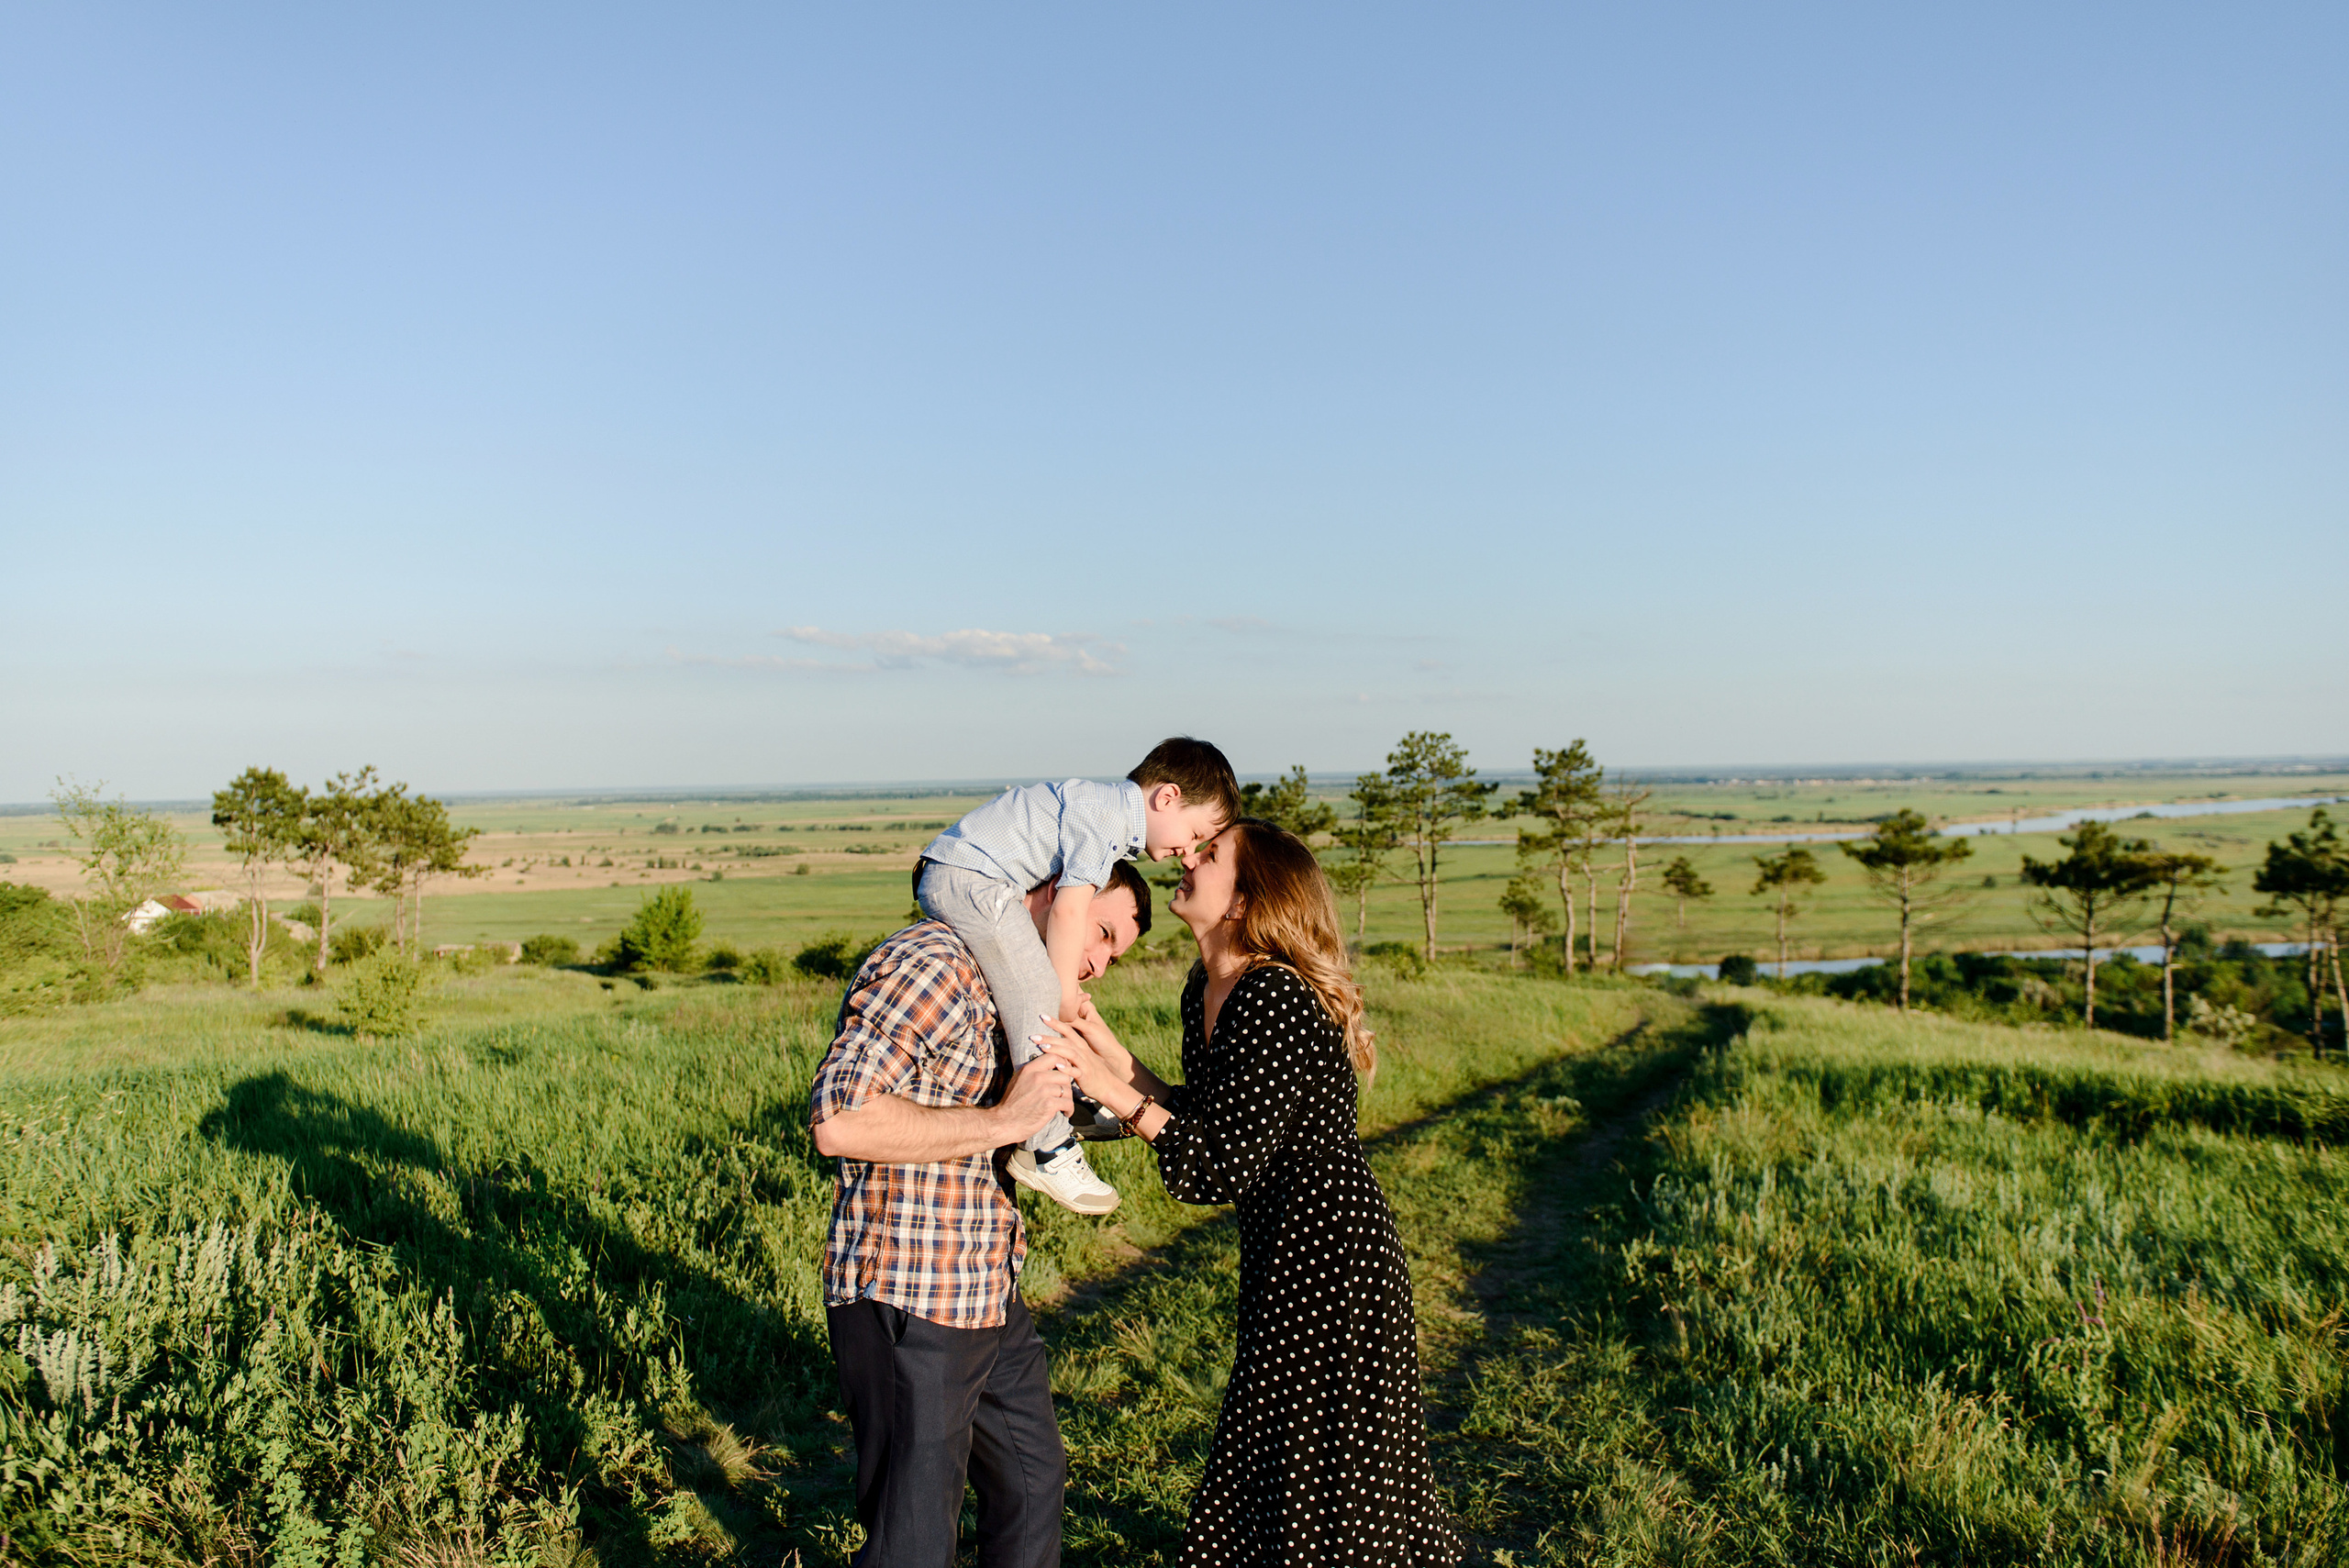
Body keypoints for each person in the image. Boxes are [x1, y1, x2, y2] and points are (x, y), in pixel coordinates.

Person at [1041, 819, 1463, 1567]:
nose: (1187, 859)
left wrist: (1106, 1086)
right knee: (1283, 1460)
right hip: (1283, 1255)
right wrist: (1114, 1055)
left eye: (1209, 856)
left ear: (1242, 900)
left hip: (1334, 1262)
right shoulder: (1205, 987)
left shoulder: (1273, 996)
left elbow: (1219, 1166)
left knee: (1330, 1474)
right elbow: (1202, 1118)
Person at [810, 866, 1149, 1568]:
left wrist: (1097, 1083)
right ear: (1059, 892)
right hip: (910, 1292)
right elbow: (841, 1120)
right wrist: (1002, 1120)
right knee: (915, 1537)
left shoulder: (1019, 995)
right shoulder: (932, 962)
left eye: (1114, 956)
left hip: (987, 1289)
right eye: (1102, 933)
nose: (1096, 962)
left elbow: (1033, 1115)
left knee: (1033, 1481)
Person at [914, 736, 1240, 1215]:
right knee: (1040, 989)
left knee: (1032, 988)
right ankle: (1045, 1146)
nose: (1188, 853)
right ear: (1166, 798)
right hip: (970, 878)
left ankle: (1063, 1102)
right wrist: (1065, 993)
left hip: (964, 874)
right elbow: (1068, 912)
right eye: (1193, 834)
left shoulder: (1100, 809)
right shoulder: (1104, 822)